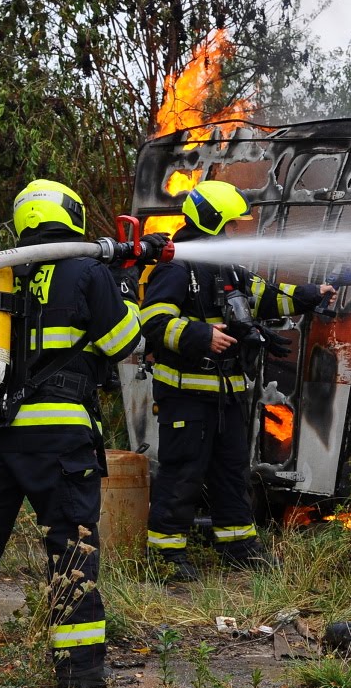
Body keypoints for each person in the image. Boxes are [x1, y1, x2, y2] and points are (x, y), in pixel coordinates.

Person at [0, 179, 144, 688]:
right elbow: (124, 344)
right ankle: (78, 670)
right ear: (72, 215)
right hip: (59, 435)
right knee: (72, 545)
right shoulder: (87, 270)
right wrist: (126, 289)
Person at [139, 180, 334, 581]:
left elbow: (267, 296)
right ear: (212, 223)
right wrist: (200, 335)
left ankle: (239, 545)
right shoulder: (175, 268)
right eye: (230, 224)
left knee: (232, 471)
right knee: (182, 471)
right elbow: (153, 322)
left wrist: (311, 293)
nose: (235, 232)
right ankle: (166, 556)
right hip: (186, 394)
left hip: (228, 395)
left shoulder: (226, 267)